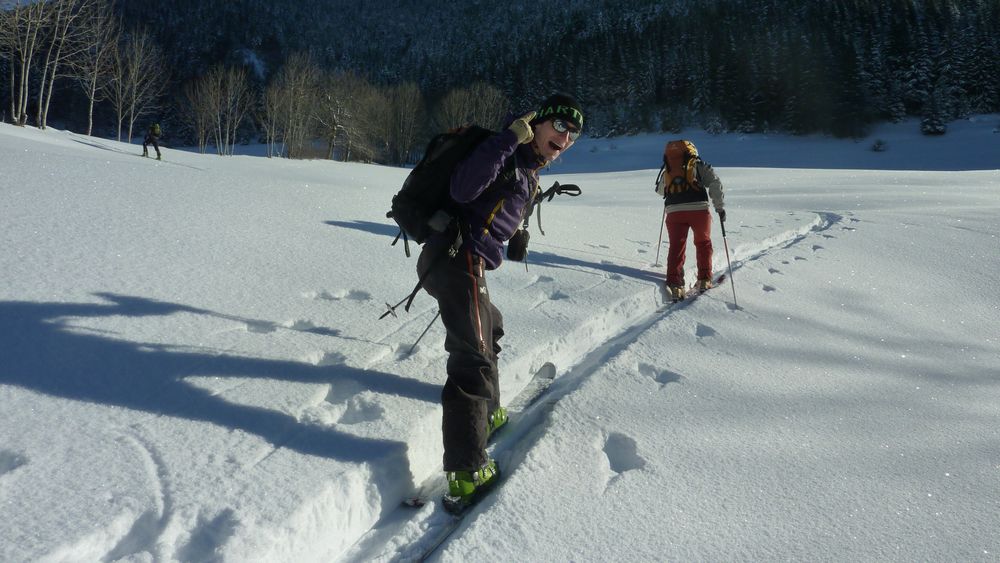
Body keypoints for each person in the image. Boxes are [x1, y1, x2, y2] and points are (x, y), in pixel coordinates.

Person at [416, 93, 583, 512]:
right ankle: (467, 472)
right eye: (560, 126)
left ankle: (488, 413)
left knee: (490, 325)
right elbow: (463, 186)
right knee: (470, 358)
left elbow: (502, 201)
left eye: (574, 133)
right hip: (456, 259)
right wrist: (509, 138)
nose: (565, 138)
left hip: (463, 262)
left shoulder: (526, 168)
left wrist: (518, 232)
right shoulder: (504, 150)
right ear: (537, 124)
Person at [655, 140, 726, 300]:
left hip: (674, 211)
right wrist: (719, 207)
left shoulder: (668, 167)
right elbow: (715, 183)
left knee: (676, 246)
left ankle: (675, 284)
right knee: (703, 243)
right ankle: (704, 279)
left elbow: (660, 191)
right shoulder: (698, 164)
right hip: (698, 210)